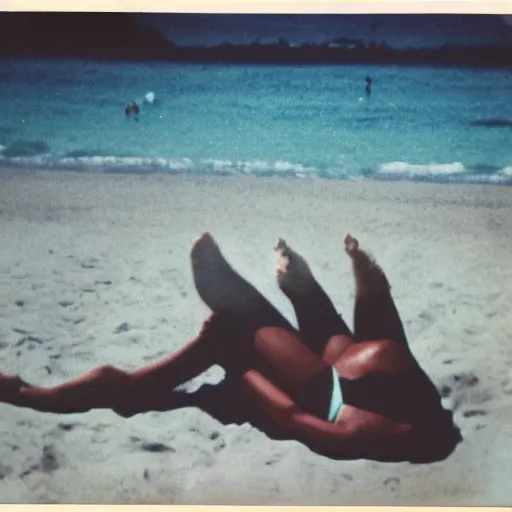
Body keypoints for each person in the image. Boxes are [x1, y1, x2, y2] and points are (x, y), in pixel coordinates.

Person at [0, 233, 462, 463]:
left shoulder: (361, 430)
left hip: (330, 393)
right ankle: (308, 290)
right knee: (360, 333)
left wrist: (241, 365)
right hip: (362, 371)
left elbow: (290, 417)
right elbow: (384, 343)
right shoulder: (413, 398)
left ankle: (88, 393)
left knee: (228, 324)